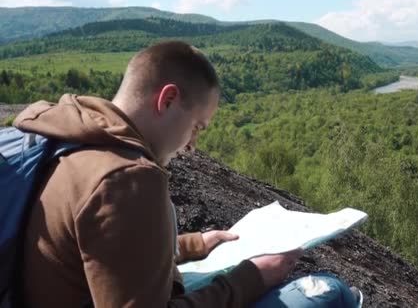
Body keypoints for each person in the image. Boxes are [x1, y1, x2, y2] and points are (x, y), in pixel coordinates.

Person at [14, 41, 359, 307]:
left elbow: (98, 253)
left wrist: (195, 244)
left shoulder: (70, 139)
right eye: (196, 127)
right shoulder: (126, 179)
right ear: (167, 99)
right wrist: (252, 277)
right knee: (330, 292)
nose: (192, 144)